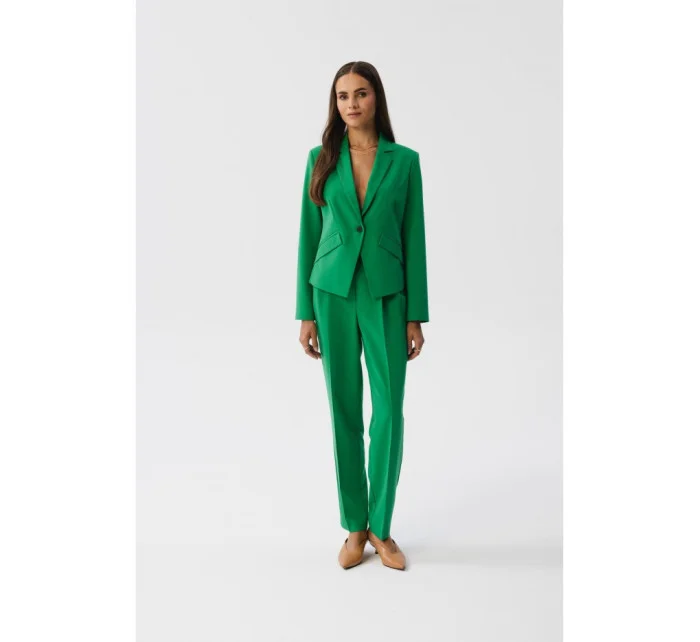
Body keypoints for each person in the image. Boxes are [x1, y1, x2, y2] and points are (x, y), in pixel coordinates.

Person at [295, 61, 429, 571]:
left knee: (389, 411)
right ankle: (354, 525)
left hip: (388, 294)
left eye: (361, 93)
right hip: (331, 291)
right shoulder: (320, 159)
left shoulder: (405, 161)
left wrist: (415, 314)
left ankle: (381, 527)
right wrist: (305, 312)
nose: (351, 103)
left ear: (377, 99)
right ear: (335, 104)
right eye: (342, 95)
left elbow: (414, 238)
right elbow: (308, 234)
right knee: (343, 410)